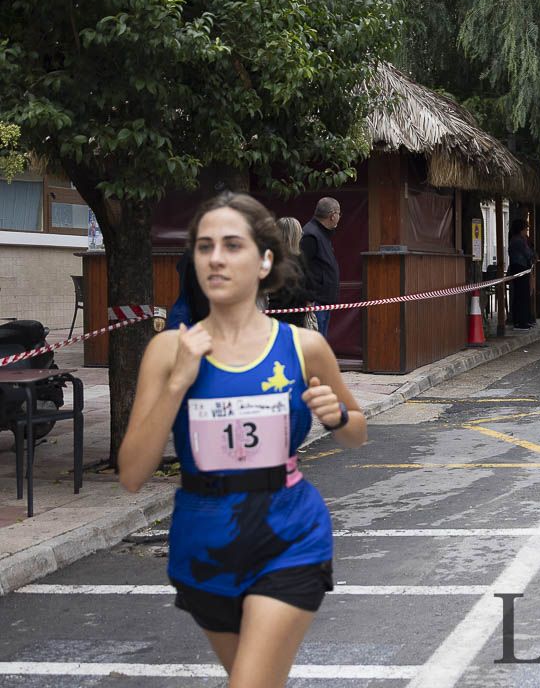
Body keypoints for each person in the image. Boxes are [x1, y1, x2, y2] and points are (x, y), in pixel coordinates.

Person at [118, 193, 367, 687]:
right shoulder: (169, 350)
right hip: (204, 544)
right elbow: (132, 474)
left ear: (265, 260)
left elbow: (357, 431)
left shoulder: (303, 346)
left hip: (288, 535)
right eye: (205, 246)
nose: (216, 257)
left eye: (232, 245)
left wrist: (336, 414)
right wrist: (175, 385)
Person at [300, 198, 341, 337]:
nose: (339, 218)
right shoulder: (311, 235)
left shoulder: (321, 233)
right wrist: (308, 298)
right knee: (316, 341)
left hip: (322, 299)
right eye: (339, 214)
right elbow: (302, 268)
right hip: (315, 300)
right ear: (333, 215)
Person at [268, 217, 313, 329]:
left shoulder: (271, 259)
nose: (302, 235)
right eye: (299, 232)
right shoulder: (297, 262)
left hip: (279, 318)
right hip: (288, 320)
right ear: (294, 236)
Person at [508, 218, 537, 329]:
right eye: (526, 229)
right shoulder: (519, 240)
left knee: (522, 295)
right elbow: (528, 253)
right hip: (520, 268)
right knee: (522, 295)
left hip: (520, 267)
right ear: (522, 229)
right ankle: (521, 321)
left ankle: (523, 319)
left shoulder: (517, 239)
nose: (527, 231)